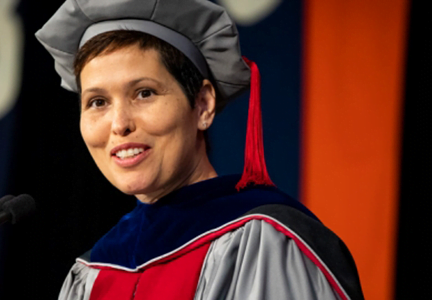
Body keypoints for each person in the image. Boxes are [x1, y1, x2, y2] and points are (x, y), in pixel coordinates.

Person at [36, 0, 364, 299]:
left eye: (144, 93)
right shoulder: (92, 274)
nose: (119, 124)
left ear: (203, 105)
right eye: (97, 102)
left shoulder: (264, 243)